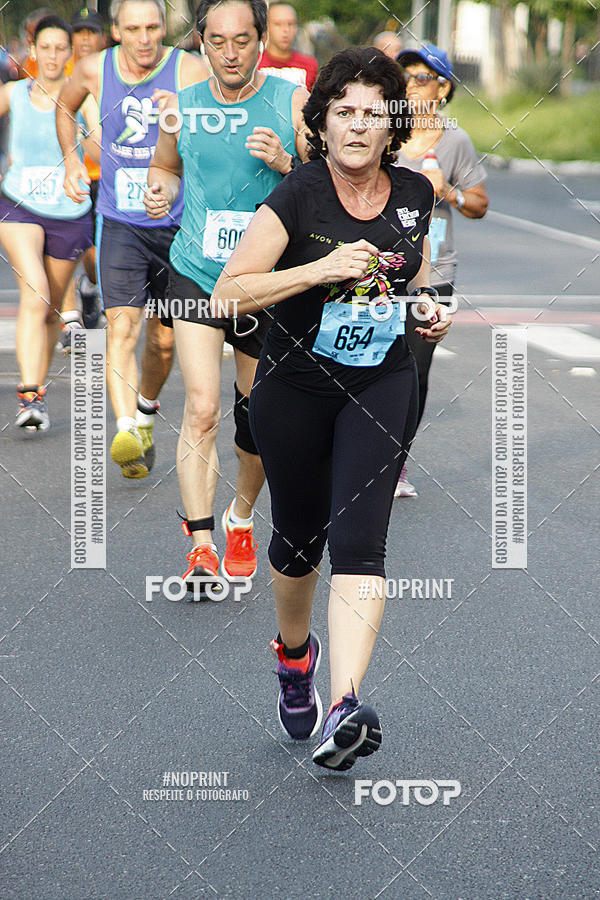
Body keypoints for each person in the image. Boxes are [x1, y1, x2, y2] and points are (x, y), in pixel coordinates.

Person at [212, 48, 452, 769]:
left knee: (360, 542)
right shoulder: (299, 196)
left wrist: (426, 312)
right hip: (294, 385)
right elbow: (228, 293)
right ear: (322, 121)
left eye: (372, 113)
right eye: (343, 111)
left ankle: (344, 705)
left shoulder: (414, 192)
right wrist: (319, 268)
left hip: (380, 381)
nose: (356, 125)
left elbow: (415, 275)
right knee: (296, 541)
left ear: (391, 126)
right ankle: (294, 657)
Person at [144, 0, 309, 590]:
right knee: (202, 406)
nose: (231, 52)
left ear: (261, 39)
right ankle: (202, 545)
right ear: (201, 42)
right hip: (194, 271)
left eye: (243, 40)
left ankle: (242, 517)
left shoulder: (290, 103)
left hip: (261, 280)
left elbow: (323, 185)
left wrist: (287, 162)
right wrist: (158, 195)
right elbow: (164, 170)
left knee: (256, 417)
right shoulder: (182, 109)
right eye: (218, 41)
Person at [57, 0, 208, 478]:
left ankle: (144, 415)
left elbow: (222, 123)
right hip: (121, 222)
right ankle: (125, 429)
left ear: (165, 28)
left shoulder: (188, 69)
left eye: (153, 28)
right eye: (134, 29)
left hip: (180, 225)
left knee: (163, 343)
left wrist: (189, 112)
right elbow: (65, 105)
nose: (145, 39)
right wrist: (71, 158)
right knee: (122, 328)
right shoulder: (93, 68)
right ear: (116, 31)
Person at [393, 44, 488, 497]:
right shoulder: (383, 133)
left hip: (434, 272)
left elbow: (480, 206)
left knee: (415, 371)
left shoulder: (456, 141)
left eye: (422, 77)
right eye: (405, 75)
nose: (411, 84)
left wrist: (449, 192)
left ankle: (396, 465)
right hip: (376, 268)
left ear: (444, 87)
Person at [0, 15, 94, 431]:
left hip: (70, 209)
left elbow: (102, 140)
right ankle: (28, 391)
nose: (54, 56)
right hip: (18, 203)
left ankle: (36, 396)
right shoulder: (14, 93)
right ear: (32, 51)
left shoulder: (81, 96)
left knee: (53, 307)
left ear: (69, 54)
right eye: (46, 48)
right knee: (35, 293)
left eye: (61, 48)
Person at [58, 7, 106, 353]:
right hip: (68, 173)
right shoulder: (61, 73)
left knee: (91, 253)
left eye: (92, 32)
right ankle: (69, 316)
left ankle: (90, 288)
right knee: (64, 245)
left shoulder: (113, 71)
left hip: (103, 173)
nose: (86, 39)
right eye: (80, 33)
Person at [258, 1, 318, 90]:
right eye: (278, 24)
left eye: (290, 24)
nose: (286, 30)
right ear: (267, 27)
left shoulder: (310, 65)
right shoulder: (255, 63)